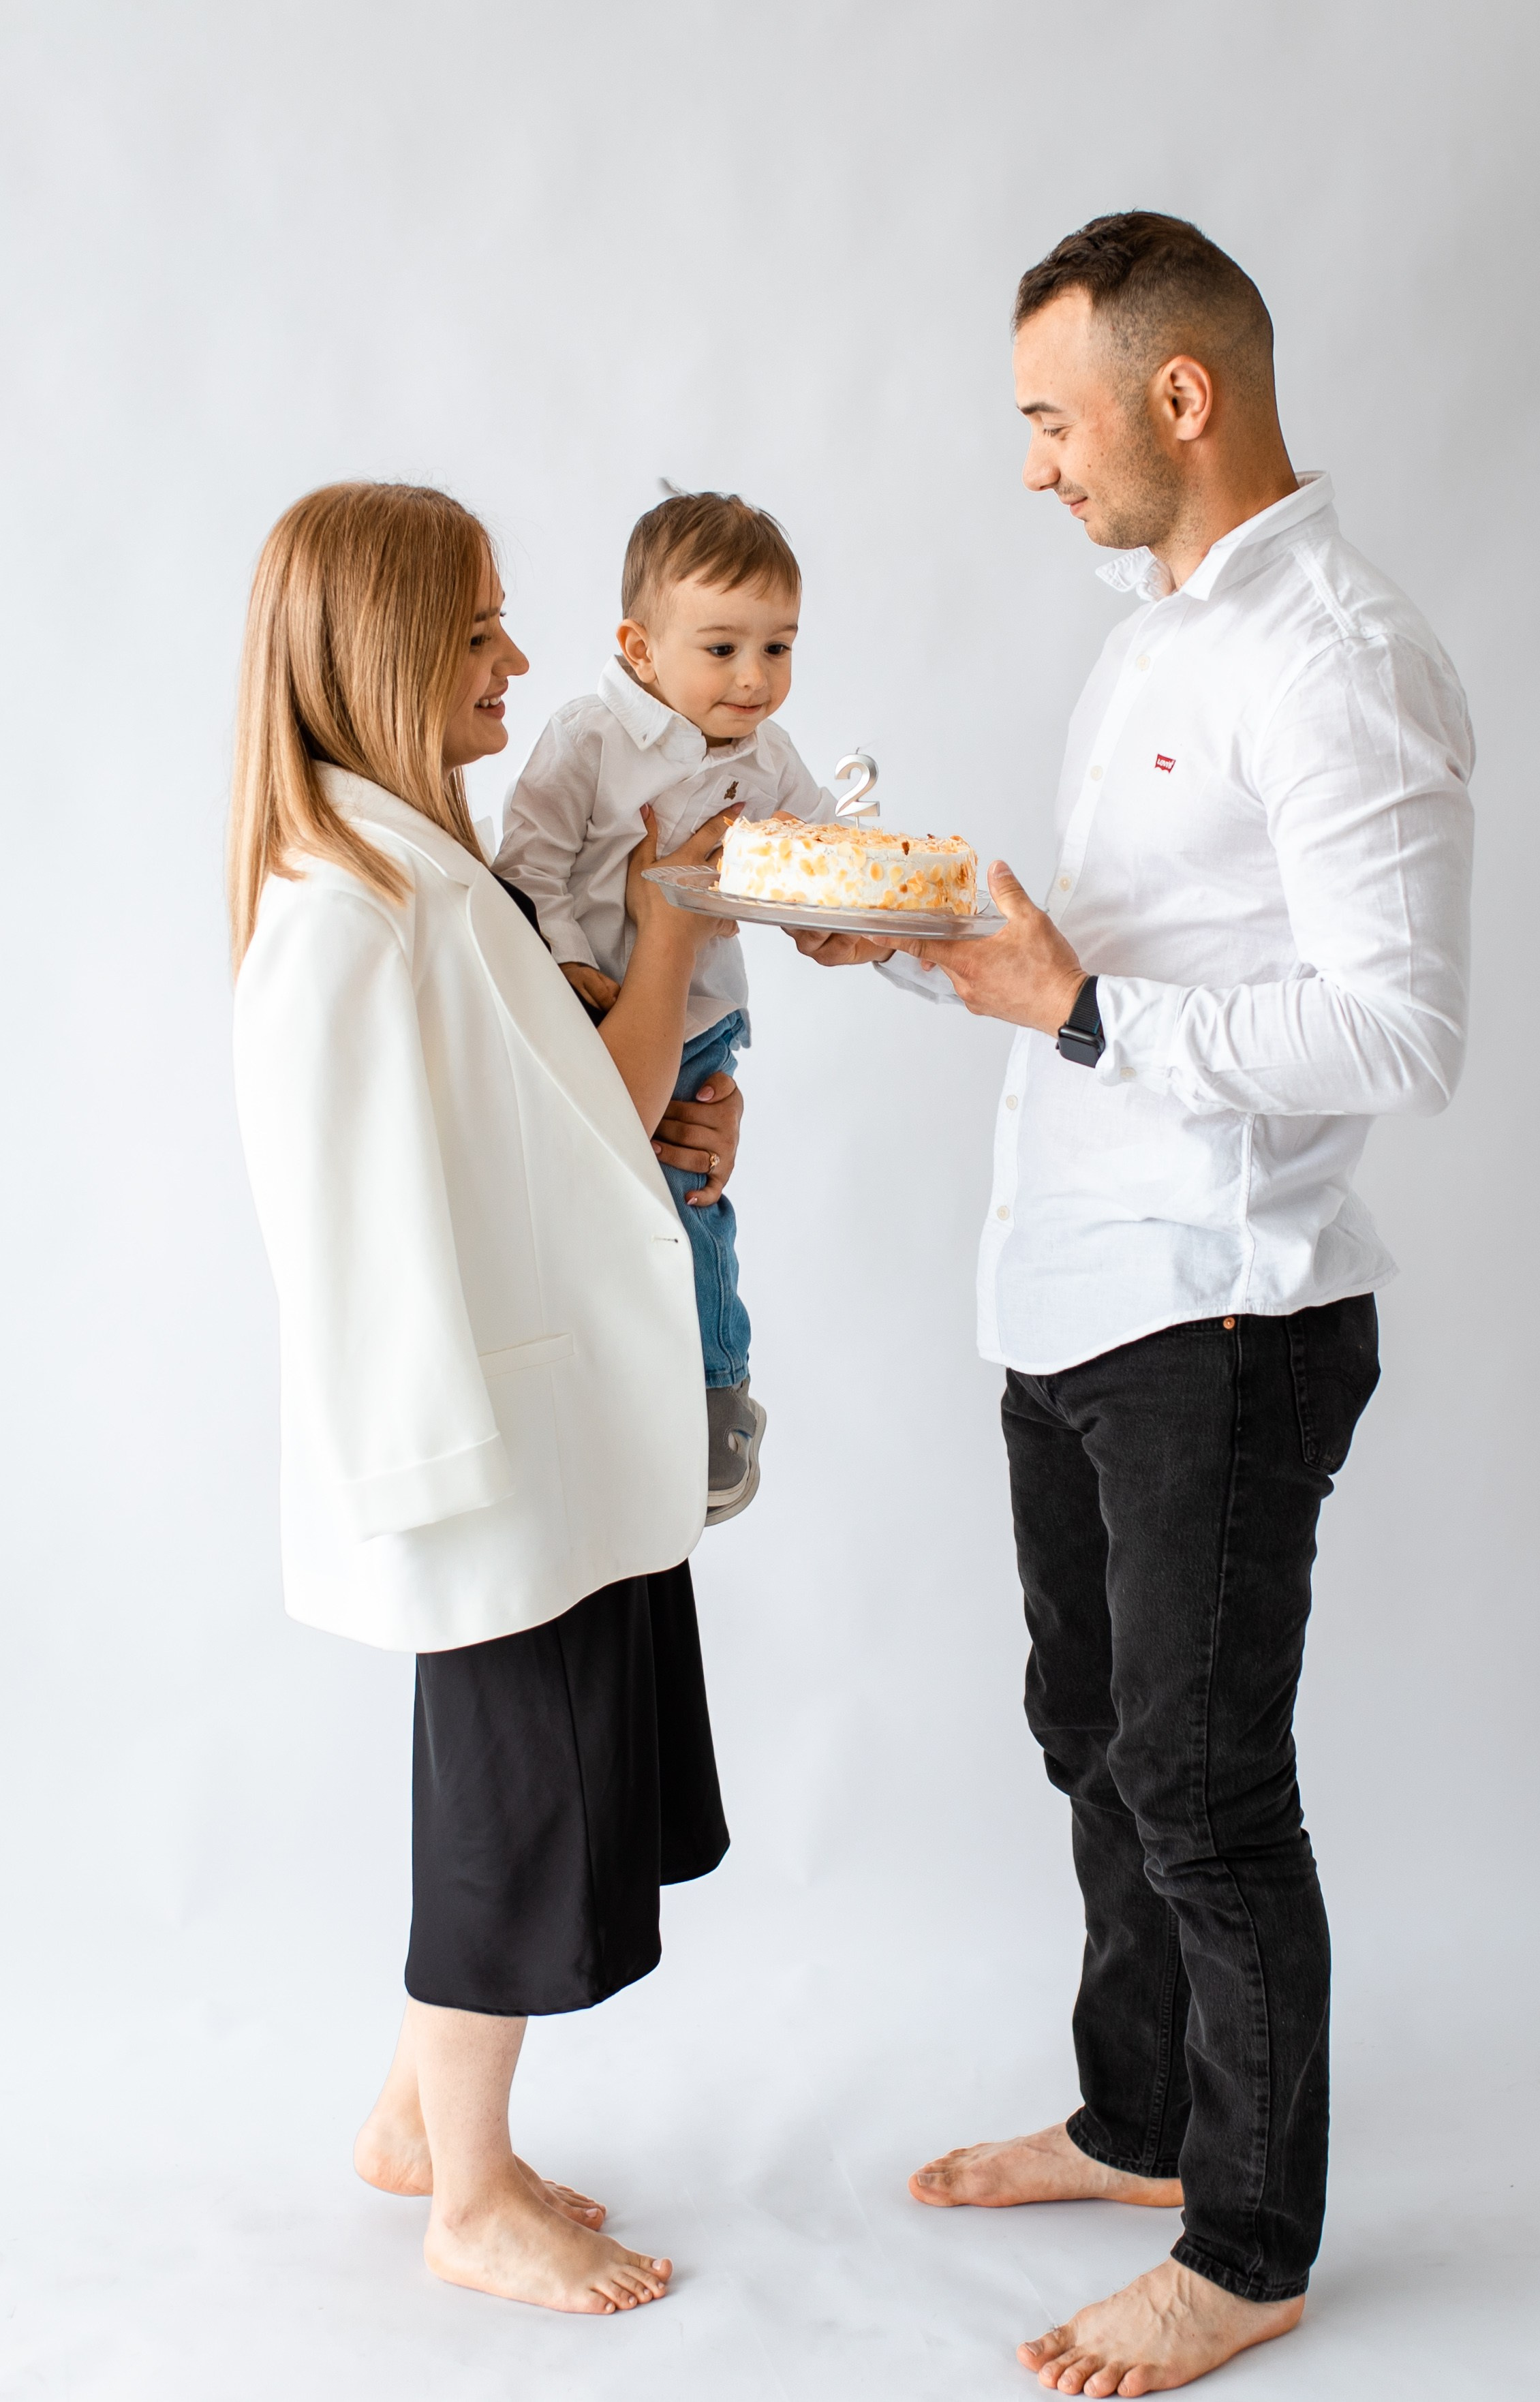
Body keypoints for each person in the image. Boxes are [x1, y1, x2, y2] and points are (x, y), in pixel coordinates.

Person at [795, 213, 1474, 2395]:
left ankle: (1250, 2240)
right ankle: (1138, 2116)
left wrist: (1078, 1006)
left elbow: (1398, 1033)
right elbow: (1109, 968)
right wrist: (910, 940)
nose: (1030, 467)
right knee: (1092, 1737)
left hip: (1228, 1314)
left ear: (1179, 398)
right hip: (1074, 1287)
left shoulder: (1336, 653)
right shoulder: (1154, 633)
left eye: (1048, 418)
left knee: (1200, 1778)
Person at [229, 480, 743, 2317]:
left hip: (550, 1428)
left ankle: (406, 2120)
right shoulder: (346, 908)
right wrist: (677, 923)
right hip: (477, 1451)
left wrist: (683, 1125)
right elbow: (348, 1228)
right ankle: (472, 2188)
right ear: (377, 648)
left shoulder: (422, 872)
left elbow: (560, 1119)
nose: (516, 660)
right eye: (475, 631)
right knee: (514, 1812)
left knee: (539, 1785)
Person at [497, 491, 833, 1523]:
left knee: (688, 1204)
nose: (755, 678)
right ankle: (625, 1393)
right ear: (638, 648)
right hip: (588, 1017)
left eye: (777, 647)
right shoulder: (589, 739)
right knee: (606, 1221)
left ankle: (714, 1388)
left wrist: (838, 918)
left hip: (699, 1023)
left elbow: (819, 854)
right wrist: (565, 965)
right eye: (723, 647)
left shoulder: (766, 758)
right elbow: (530, 863)